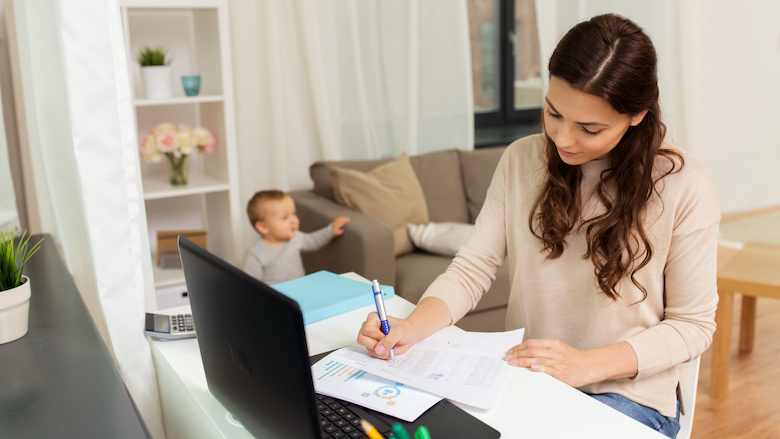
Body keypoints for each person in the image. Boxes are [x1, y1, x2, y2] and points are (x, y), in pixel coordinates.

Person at [357, 13, 719, 439]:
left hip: (629, 397)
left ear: (637, 114)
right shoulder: (520, 160)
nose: (563, 139)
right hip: (529, 382)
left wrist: (585, 365)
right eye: (553, 112)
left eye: (590, 128)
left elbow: (692, 326)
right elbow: (473, 267)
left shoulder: (684, 185)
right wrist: (412, 326)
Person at [243, 190, 350, 284]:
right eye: (285, 217)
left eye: (294, 214)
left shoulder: (295, 238)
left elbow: (313, 241)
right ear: (263, 227)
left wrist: (330, 230)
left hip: (300, 292)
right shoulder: (256, 255)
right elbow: (250, 286)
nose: (294, 220)